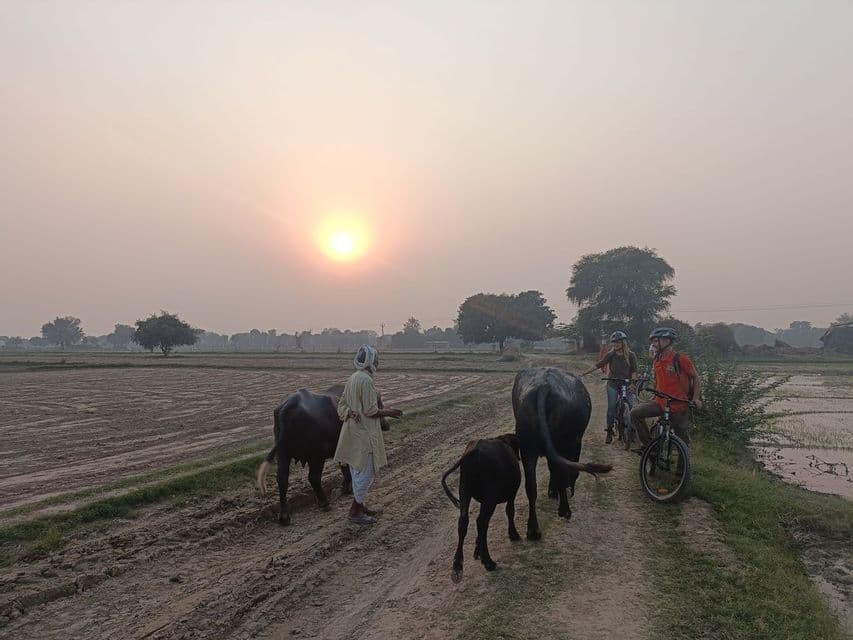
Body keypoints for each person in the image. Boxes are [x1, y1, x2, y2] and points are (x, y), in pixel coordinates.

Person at [334, 345, 403, 525]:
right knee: (366, 472)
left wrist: (349, 412)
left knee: (357, 470)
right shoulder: (366, 380)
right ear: (370, 362)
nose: (378, 363)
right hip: (364, 434)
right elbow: (371, 410)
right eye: (376, 360)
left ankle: (360, 506)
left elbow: (341, 405)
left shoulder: (353, 378)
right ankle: (355, 511)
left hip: (353, 433)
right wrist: (389, 412)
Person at [629, 327, 702, 452]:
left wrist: (696, 398)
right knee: (635, 413)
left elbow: (695, 378)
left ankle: (683, 469)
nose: (653, 344)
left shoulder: (680, 359)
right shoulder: (657, 359)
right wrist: (655, 394)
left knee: (682, 440)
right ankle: (649, 447)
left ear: (667, 341)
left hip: (679, 405)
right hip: (660, 403)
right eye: (653, 341)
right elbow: (660, 379)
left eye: (657, 341)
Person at [581, 331, 639, 443]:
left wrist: (633, 383)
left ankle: (632, 431)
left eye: (618, 342)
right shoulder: (610, 354)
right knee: (611, 408)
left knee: (632, 406)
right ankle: (609, 430)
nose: (616, 344)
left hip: (626, 383)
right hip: (613, 383)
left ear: (623, 342)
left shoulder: (631, 355)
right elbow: (599, 365)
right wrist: (584, 373)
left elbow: (634, 371)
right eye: (614, 342)